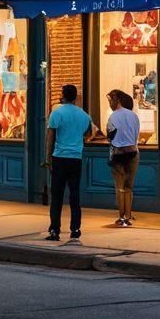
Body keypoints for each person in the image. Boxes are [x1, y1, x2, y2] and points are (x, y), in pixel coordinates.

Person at [44, 84, 92, 243]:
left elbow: (51, 136)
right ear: (75, 97)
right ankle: (75, 229)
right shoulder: (84, 115)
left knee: (56, 196)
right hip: (76, 158)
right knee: (74, 196)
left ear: (63, 95)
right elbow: (88, 134)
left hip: (59, 157)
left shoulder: (56, 113)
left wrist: (47, 158)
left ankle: (55, 230)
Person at [106, 89, 140, 227]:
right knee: (128, 186)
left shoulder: (113, 116)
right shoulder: (133, 115)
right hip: (133, 152)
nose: (109, 104)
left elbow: (109, 135)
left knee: (119, 187)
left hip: (118, 154)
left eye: (110, 101)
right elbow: (136, 134)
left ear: (117, 100)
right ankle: (128, 215)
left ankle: (122, 217)